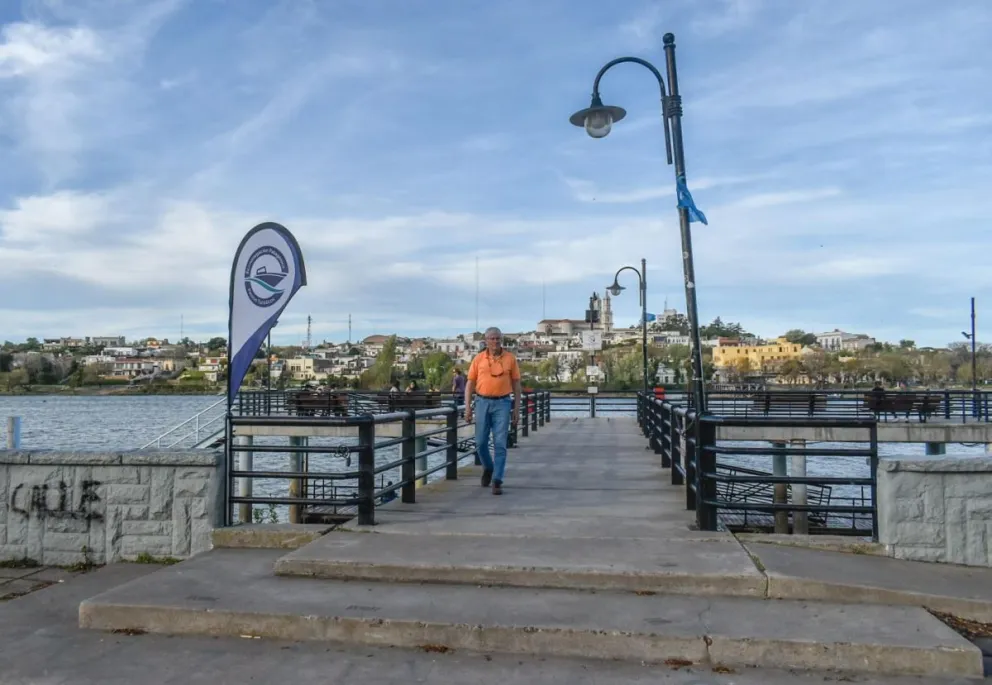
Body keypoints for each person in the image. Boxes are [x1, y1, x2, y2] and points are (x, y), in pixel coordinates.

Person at [464, 327, 521, 495]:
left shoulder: (510, 359)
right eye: (492, 339)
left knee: (500, 442)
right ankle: (488, 468)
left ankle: (497, 480)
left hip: (503, 402)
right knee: (480, 442)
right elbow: (469, 384)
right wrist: (467, 407)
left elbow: (516, 385)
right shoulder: (478, 359)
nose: (496, 341)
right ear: (486, 340)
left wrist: (516, 408)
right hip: (482, 401)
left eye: (498, 338)